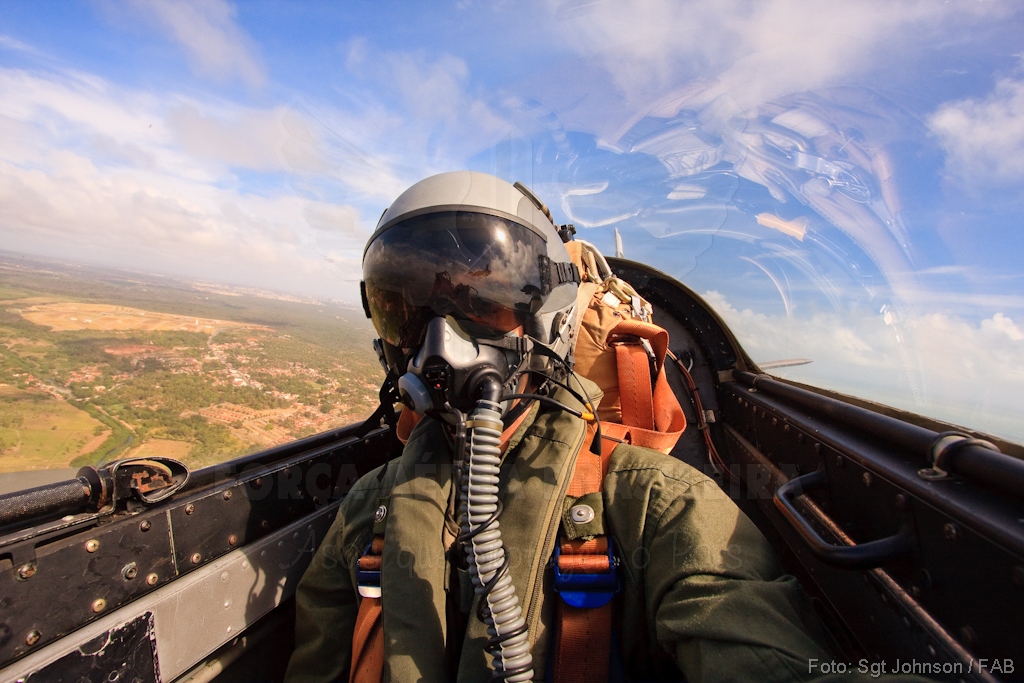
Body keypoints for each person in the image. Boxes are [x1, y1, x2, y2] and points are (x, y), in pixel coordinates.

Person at [284, 171, 930, 683]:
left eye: (484, 305)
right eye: (409, 313)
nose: (440, 344)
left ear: (552, 319)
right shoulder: (371, 507)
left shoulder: (655, 504)